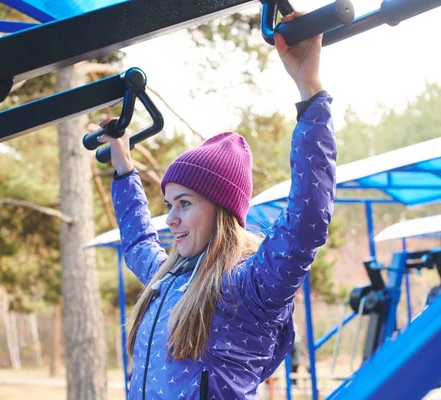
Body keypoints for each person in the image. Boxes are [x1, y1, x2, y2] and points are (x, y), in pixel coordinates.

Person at [98, 11, 336, 400]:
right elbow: (138, 242)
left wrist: (309, 89)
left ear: (222, 211)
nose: (171, 219)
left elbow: (306, 220)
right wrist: (124, 166)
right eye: (170, 204)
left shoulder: (248, 287)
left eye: (185, 204)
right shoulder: (167, 277)